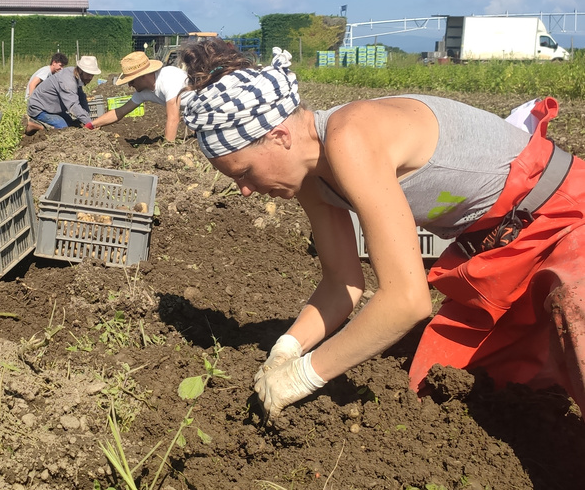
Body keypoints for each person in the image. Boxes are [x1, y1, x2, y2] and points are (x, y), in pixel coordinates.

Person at [177, 37, 585, 419]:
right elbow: (342, 283)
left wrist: (305, 375)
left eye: (244, 172)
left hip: (565, 215)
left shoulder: (350, 137)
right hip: (501, 247)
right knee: (449, 385)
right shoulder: (310, 180)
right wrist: (288, 347)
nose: (245, 190)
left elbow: (407, 300)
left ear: (279, 135)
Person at [90, 51, 187, 141]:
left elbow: (173, 119)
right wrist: (91, 125)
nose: (129, 85)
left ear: (143, 76)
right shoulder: (144, 92)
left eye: (132, 81)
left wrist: (168, 148)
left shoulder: (168, 79)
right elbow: (120, 112)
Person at [25, 55, 101, 131]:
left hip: (52, 108)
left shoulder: (75, 75)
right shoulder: (68, 81)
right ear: (80, 70)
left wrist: (88, 120)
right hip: (39, 108)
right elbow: (73, 105)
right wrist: (90, 124)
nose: (90, 78)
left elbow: (82, 98)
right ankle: (38, 126)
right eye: (88, 74)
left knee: (72, 124)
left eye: (92, 75)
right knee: (64, 128)